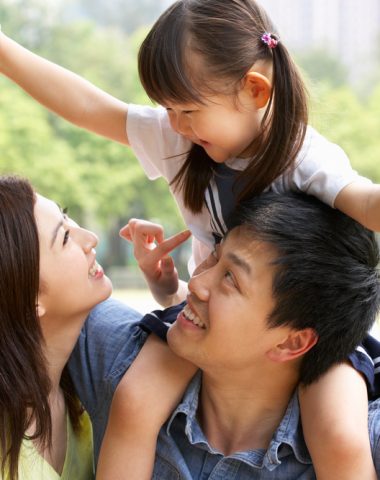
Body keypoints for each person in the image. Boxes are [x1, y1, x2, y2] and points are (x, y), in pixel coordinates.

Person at [1, 0, 380, 475]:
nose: (174, 122)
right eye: (167, 107)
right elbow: (90, 107)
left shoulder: (305, 158)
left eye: (187, 108)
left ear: (255, 90)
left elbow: (365, 204)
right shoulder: (182, 139)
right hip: (201, 318)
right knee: (136, 400)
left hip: (310, 326)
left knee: (340, 436)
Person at [69, 191, 380, 479]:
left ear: (291, 341)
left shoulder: (355, 444)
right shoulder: (118, 360)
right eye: (215, 256)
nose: (196, 284)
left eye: (230, 279)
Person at [0, 174, 195, 480]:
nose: (90, 238)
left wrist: (170, 291)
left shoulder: (84, 364)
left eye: (67, 218)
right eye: (64, 238)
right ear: (28, 299)